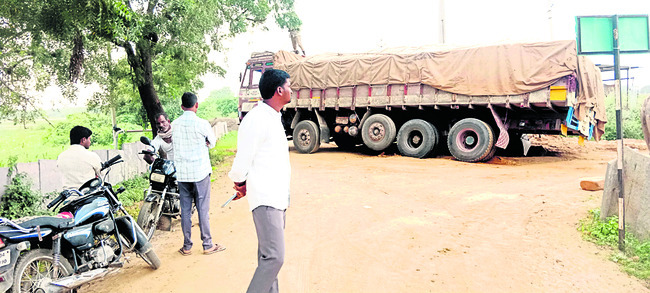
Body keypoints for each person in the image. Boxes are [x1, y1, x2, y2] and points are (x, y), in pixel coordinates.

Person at [228, 69, 292, 293]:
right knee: (274, 258)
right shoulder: (256, 119)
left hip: (277, 197)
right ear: (279, 90)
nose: (291, 89)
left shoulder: (272, 117)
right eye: (289, 85)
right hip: (266, 199)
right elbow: (243, 158)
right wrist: (239, 182)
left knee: (268, 258)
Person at [172, 92, 224, 256]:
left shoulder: (174, 125)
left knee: (185, 210)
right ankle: (207, 245)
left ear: (182, 107)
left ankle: (187, 246)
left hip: (182, 174)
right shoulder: (202, 124)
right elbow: (212, 143)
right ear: (196, 105)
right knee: (203, 209)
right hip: (200, 172)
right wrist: (206, 142)